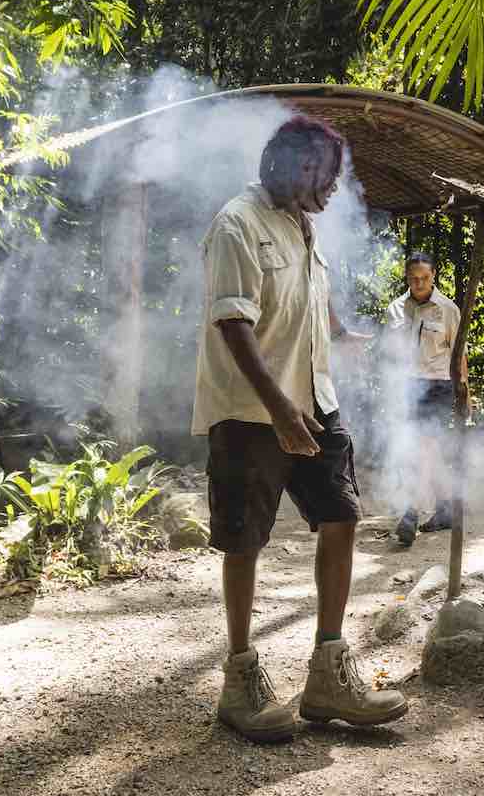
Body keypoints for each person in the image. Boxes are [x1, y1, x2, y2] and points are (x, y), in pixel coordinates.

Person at [191, 115, 407, 743]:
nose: (335, 187)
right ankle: (239, 682)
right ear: (295, 167)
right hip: (251, 412)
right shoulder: (236, 224)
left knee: (341, 516)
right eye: (327, 175)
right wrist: (280, 410)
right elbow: (233, 325)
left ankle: (328, 675)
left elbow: (308, 293)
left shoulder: (300, 224)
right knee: (244, 539)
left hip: (315, 399)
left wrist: (340, 333)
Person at [383, 252, 466, 546]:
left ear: (434, 277)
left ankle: (410, 512)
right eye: (413, 278)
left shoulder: (448, 310)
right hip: (405, 386)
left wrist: (464, 391)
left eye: (424, 278)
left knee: (424, 447)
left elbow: (459, 354)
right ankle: (446, 507)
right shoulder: (395, 309)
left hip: (438, 385)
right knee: (420, 450)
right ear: (407, 278)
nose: (419, 283)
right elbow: (390, 353)